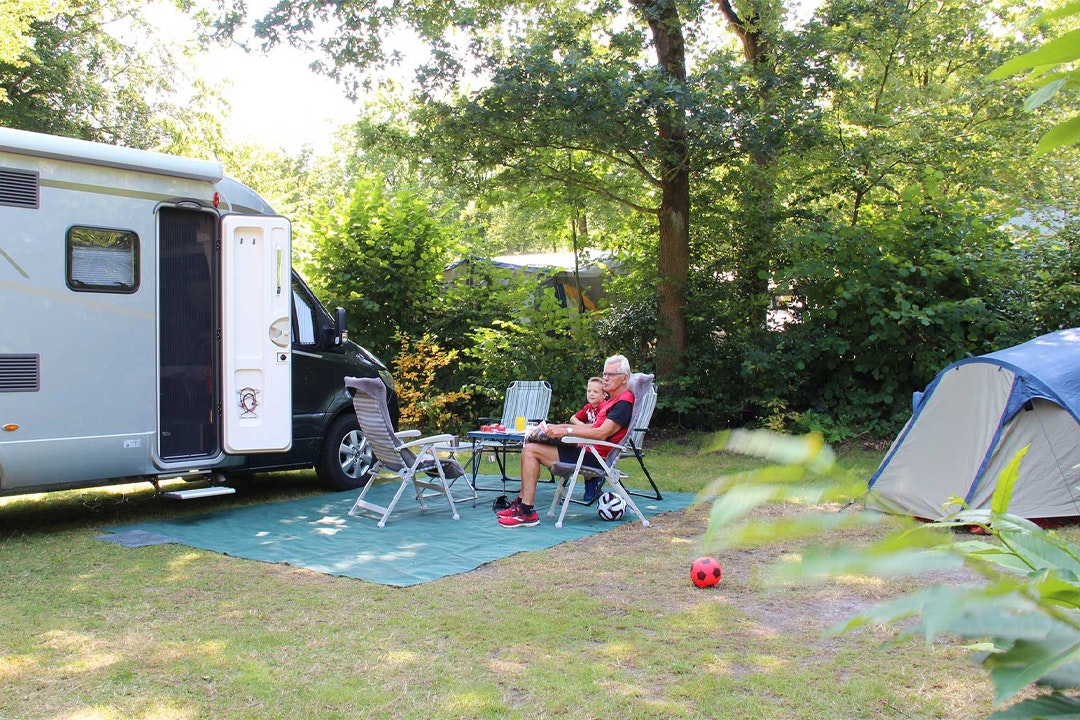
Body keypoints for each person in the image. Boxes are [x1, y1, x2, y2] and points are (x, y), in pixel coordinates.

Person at [498, 355, 634, 528]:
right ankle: (522, 503)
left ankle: (526, 512)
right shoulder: (612, 401)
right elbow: (592, 428)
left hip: (595, 457)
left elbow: (601, 433)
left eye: (611, 374)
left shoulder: (623, 404)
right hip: (587, 451)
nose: (606, 378)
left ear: (624, 378)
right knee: (530, 447)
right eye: (605, 373)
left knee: (532, 450)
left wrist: (567, 431)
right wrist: (559, 427)